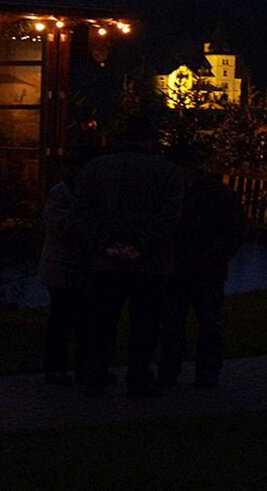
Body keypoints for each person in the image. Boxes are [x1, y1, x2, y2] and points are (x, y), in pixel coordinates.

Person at [71, 117, 183, 398]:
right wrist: (141, 246)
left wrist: (106, 243)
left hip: (104, 262)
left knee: (101, 322)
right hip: (150, 265)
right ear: (150, 141)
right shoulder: (167, 172)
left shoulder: (94, 169)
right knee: (145, 324)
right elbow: (169, 218)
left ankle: (95, 376)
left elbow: (82, 212)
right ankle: (139, 377)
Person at [157, 143, 247, 389]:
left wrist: (216, 257)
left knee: (207, 324)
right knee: (173, 325)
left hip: (205, 270)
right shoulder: (170, 193)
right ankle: (170, 372)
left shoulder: (215, 194)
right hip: (178, 270)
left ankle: (206, 373)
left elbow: (235, 230)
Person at [39, 149, 98, 387]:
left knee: (83, 320)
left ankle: (83, 366)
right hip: (64, 266)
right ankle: (59, 367)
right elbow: (60, 228)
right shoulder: (61, 194)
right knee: (63, 319)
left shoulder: (73, 194)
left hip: (79, 266)